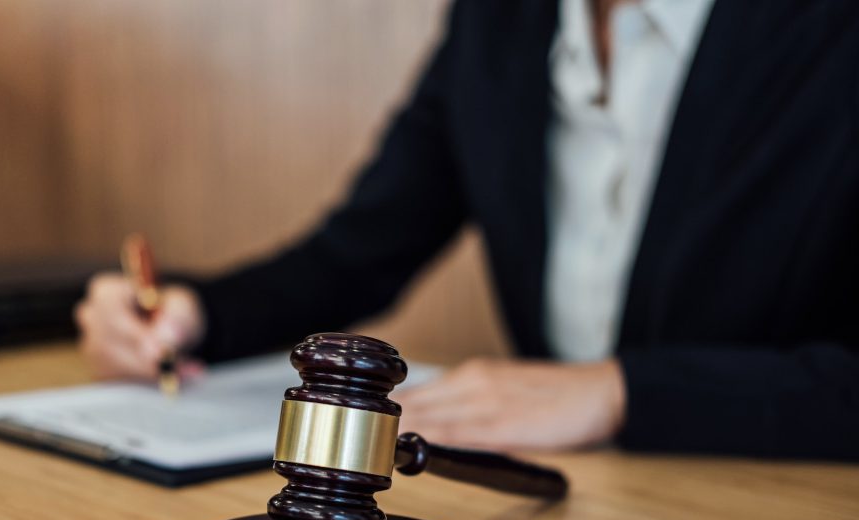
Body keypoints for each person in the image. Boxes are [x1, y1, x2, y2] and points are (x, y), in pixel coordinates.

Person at [75, 0, 859, 458]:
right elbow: (353, 255)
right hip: (577, 512)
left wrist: (624, 394)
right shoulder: (499, 23)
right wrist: (194, 315)